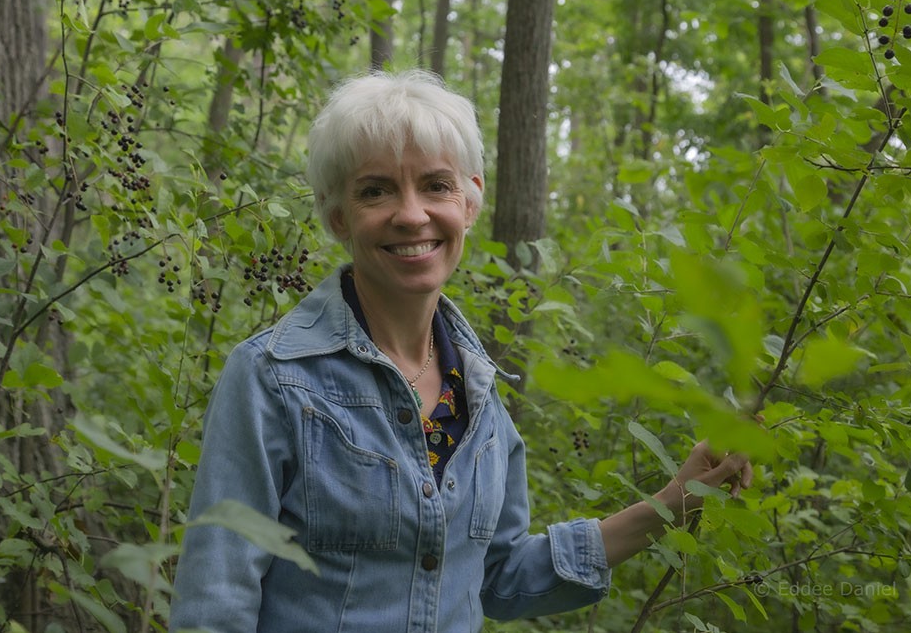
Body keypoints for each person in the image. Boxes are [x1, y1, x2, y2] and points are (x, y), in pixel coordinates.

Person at [169, 70, 752, 633]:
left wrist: (673, 504)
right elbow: (215, 600)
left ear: (469, 203)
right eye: (376, 190)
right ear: (337, 217)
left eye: (436, 185)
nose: (411, 214)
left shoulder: (478, 397)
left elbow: (499, 578)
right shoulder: (272, 378)